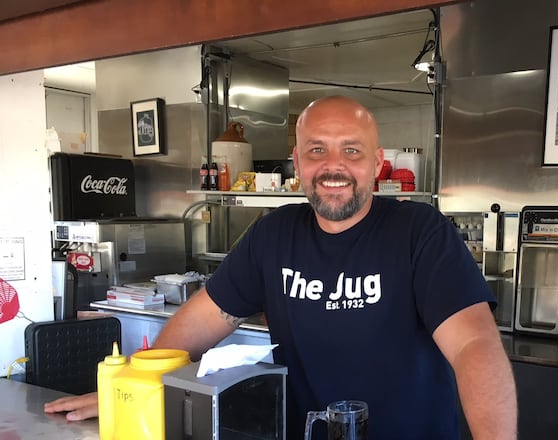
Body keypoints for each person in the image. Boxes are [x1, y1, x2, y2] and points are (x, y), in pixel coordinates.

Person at [46, 95, 517, 439]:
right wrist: (131, 390)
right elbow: (198, 324)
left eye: (351, 150)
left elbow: (475, 344)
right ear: (297, 162)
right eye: (317, 150)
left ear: (377, 165)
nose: (333, 166)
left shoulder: (421, 232)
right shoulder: (274, 234)